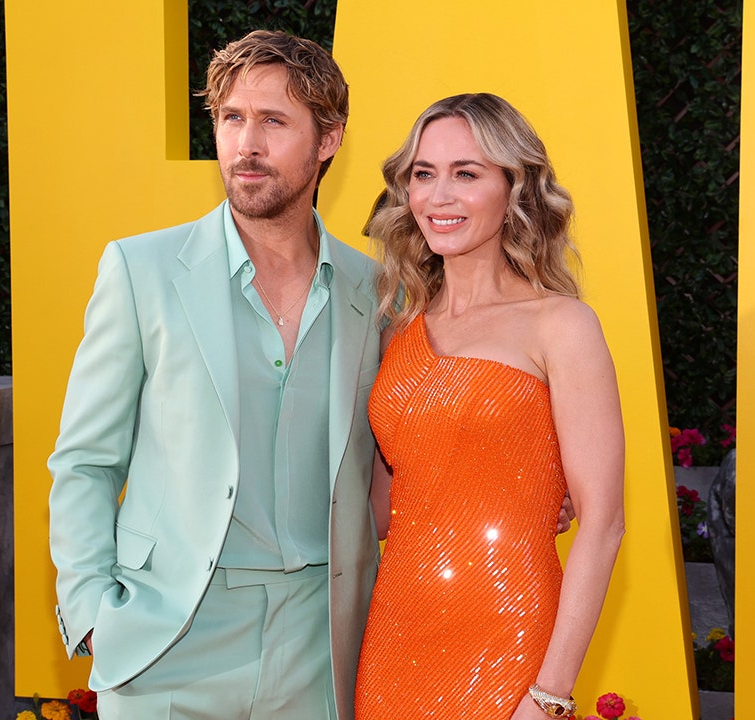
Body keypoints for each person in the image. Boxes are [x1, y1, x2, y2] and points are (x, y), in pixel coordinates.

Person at [47, 30, 383, 720]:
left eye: (273, 121)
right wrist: (89, 612)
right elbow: (85, 459)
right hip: (168, 638)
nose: (245, 145)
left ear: (328, 139)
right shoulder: (141, 271)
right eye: (231, 118)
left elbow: (411, 445)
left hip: (320, 643)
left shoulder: (374, 290)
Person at [355, 93, 626, 720]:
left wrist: (551, 694)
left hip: (510, 636)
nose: (437, 196)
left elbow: (603, 523)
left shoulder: (561, 326)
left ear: (516, 189)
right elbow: (380, 509)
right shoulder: (397, 331)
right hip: (394, 636)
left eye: (467, 173)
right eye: (424, 174)